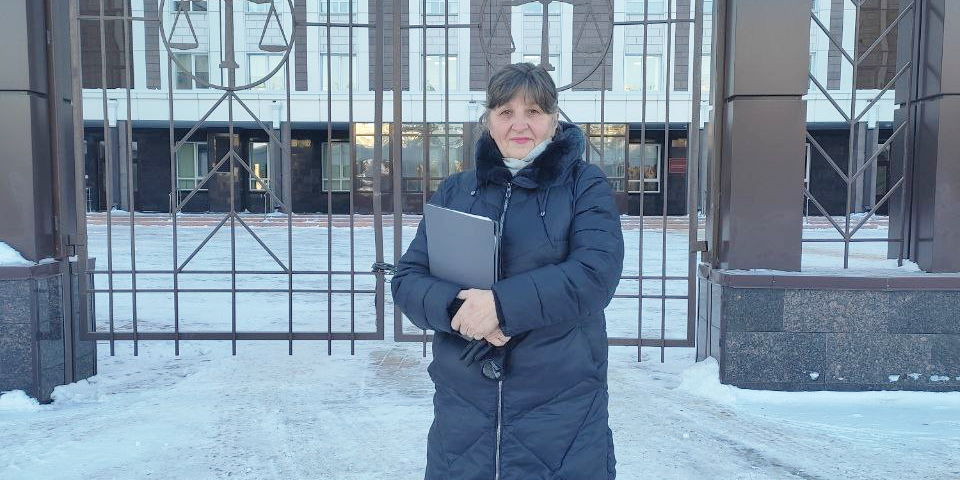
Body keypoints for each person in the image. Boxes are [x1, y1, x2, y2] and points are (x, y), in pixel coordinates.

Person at [391, 62, 625, 480]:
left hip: (560, 416)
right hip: (464, 423)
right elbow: (408, 279)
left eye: (533, 111)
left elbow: (595, 273)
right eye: (506, 112)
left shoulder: (584, 185)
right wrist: (460, 310)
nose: (520, 124)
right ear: (489, 120)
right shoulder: (457, 190)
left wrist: (501, 307)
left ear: (553, 120)